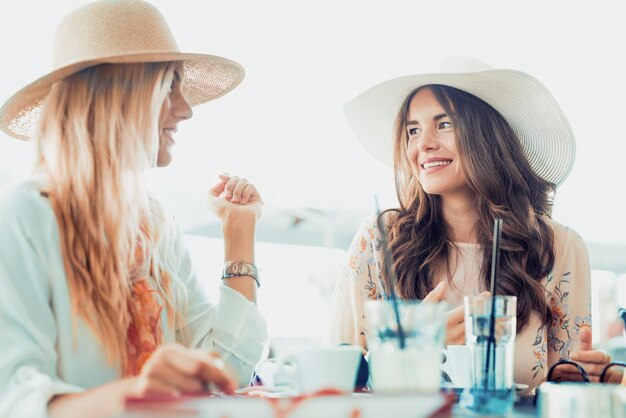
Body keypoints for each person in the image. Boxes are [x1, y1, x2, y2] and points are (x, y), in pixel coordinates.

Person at [0, 1, 267, 417]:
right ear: (114, 96)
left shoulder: (153, 224)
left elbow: (225, 369)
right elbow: (15, 402)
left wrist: (239, 236)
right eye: (168, 86)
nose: (186, 109)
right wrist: (137, 395)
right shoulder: (25, 216)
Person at [326, 57, 610, 391]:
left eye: (444, 124)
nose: (423, 144)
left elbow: (563, 383)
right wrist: (415, 350)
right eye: (412, 130)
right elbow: (334, 380)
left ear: (487, 135)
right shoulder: (379, 240)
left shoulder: (559, 247)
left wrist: (584, 378)